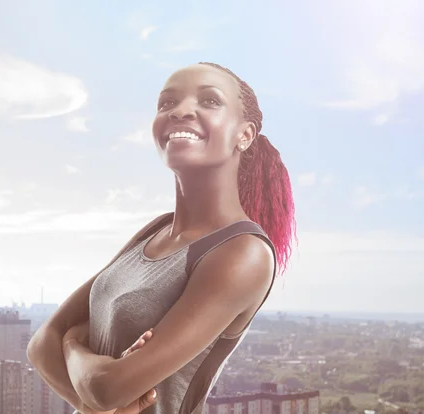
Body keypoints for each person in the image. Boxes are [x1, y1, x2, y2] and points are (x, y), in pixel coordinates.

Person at [27, 62, 296, 414]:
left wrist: (74, 345)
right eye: (167, 103)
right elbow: (41, 346)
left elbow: (106, 389)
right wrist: (94, 391)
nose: (181, 111)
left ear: (244, 135)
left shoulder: (244, 252)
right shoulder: (155, 231)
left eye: (210, 101)